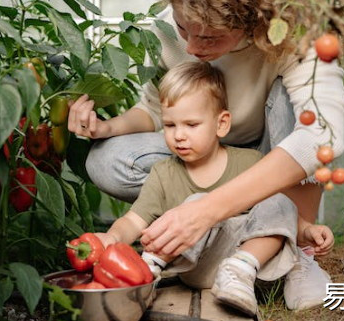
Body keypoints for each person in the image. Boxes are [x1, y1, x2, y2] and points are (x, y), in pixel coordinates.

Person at [67, 0, 344, 310]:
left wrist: (205, 210)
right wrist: (107, 128)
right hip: (206, 153)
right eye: (183, 28)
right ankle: (217, 242)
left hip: (269, 155)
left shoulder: (297, 34)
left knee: (298, 108)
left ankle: (297, 255)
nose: (191, 47)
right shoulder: (171, 28)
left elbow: (322, 135)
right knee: (106, 160)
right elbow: (155, 108)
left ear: (252, 20)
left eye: (210, 37)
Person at [96, 61, 330, 316]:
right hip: (193, 265)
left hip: (245, 262)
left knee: (281, 201)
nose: (179, 135)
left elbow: (277, 214)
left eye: (192, 125)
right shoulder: (163, 172)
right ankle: (148, 270)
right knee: (197, 202)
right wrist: (113, 237)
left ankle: (240, 269)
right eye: (170, 125)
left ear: (221, 124)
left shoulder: (249, 162)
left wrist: (307, 230)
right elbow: (133, 220)